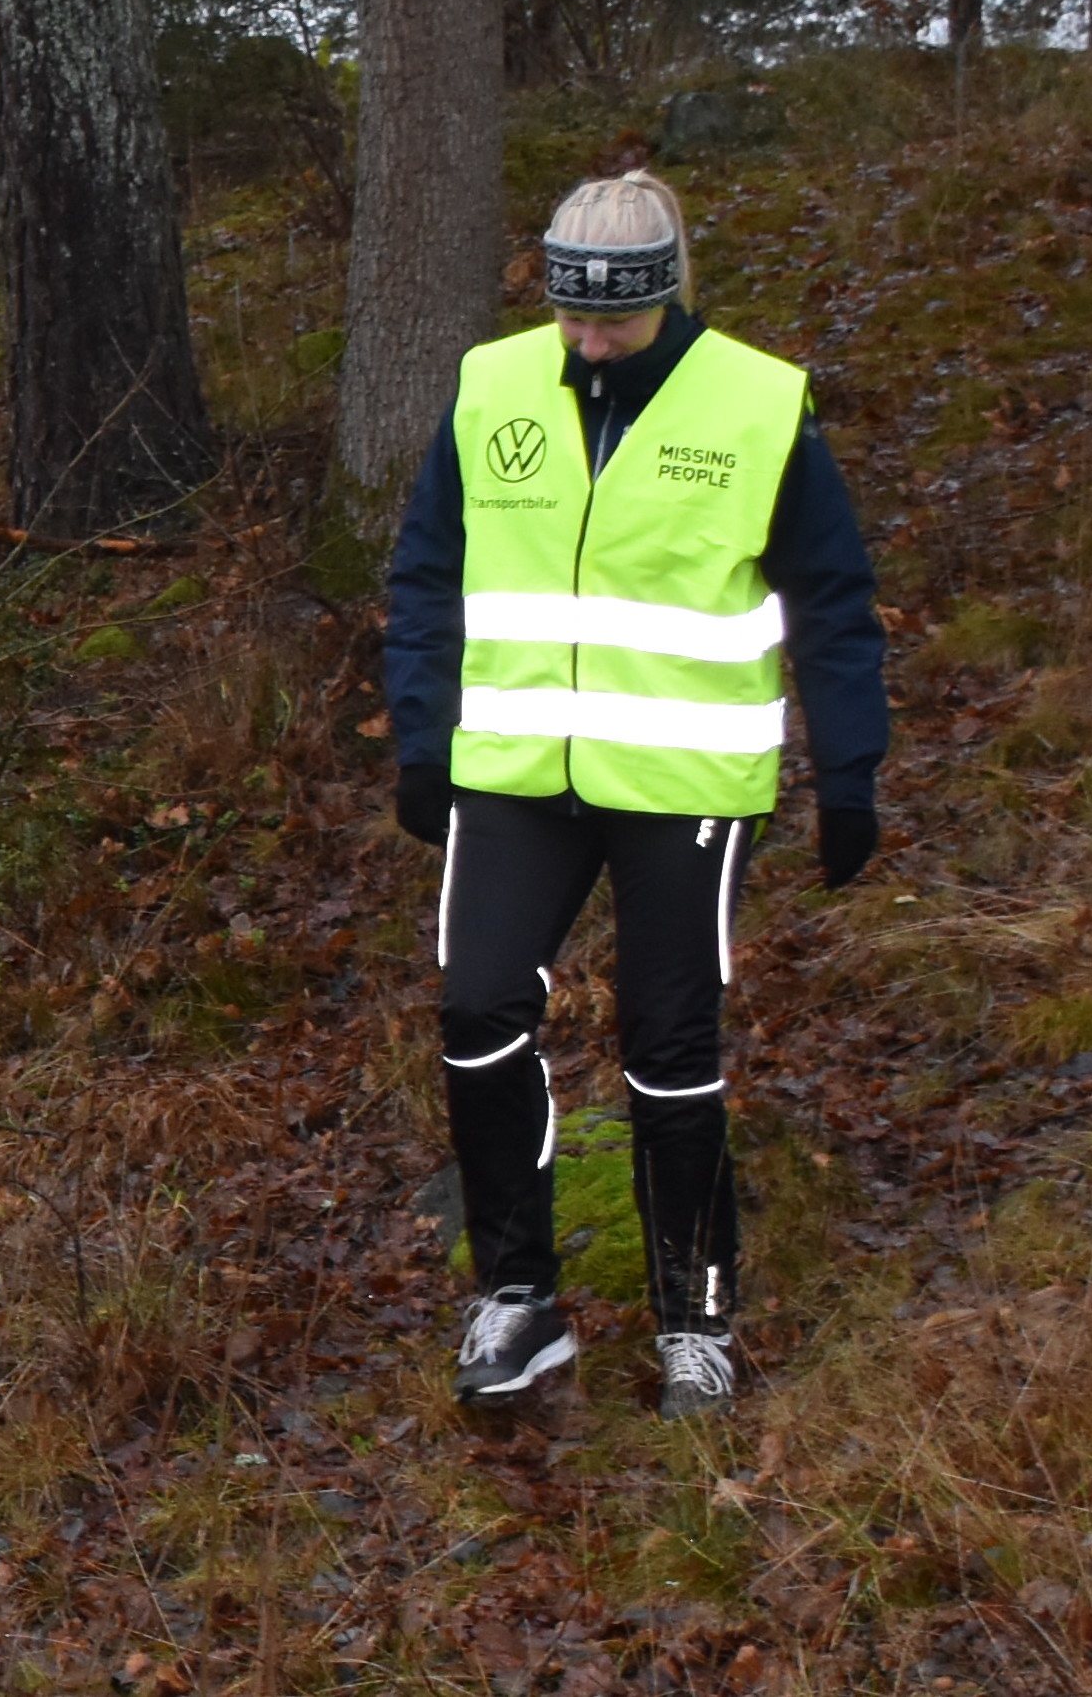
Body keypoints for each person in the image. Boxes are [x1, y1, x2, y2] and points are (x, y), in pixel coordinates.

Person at [382, 171, 888, 1421]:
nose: (590, 339)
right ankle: (518, 1297)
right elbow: (426, 575)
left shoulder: (761, 405)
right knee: (477, 1011)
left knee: (670, 1052)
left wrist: (852, 769)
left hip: (683, 783)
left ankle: (694, 1317)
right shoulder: (493, 384)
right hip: (512, 772)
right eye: (571, 314)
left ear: (666, 296)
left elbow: (832, 598)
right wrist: (420, 737)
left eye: (614, 318)